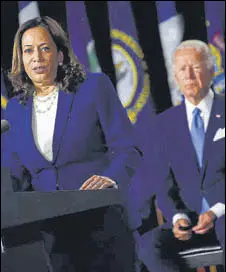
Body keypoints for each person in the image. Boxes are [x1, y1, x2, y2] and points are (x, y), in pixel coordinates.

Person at [2, 16, 142, 271]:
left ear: (61, 55)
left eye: (45, 48)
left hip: (102, 220)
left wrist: (111, 178)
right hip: (50, 235)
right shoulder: (14, 110)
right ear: (20, 59)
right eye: (28, 50)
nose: (37, 57)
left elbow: (128, 149)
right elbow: (13, 174)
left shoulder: (94, 87)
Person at [139, 40, 225, 271]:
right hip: (192, 224)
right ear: (175, 77)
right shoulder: (162, 125)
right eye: (181, 69)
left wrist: (216, 211)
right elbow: (164, 186)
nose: (188, 75)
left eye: (195, 67)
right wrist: (178, 218)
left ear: (211, 69)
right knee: (149, 245)